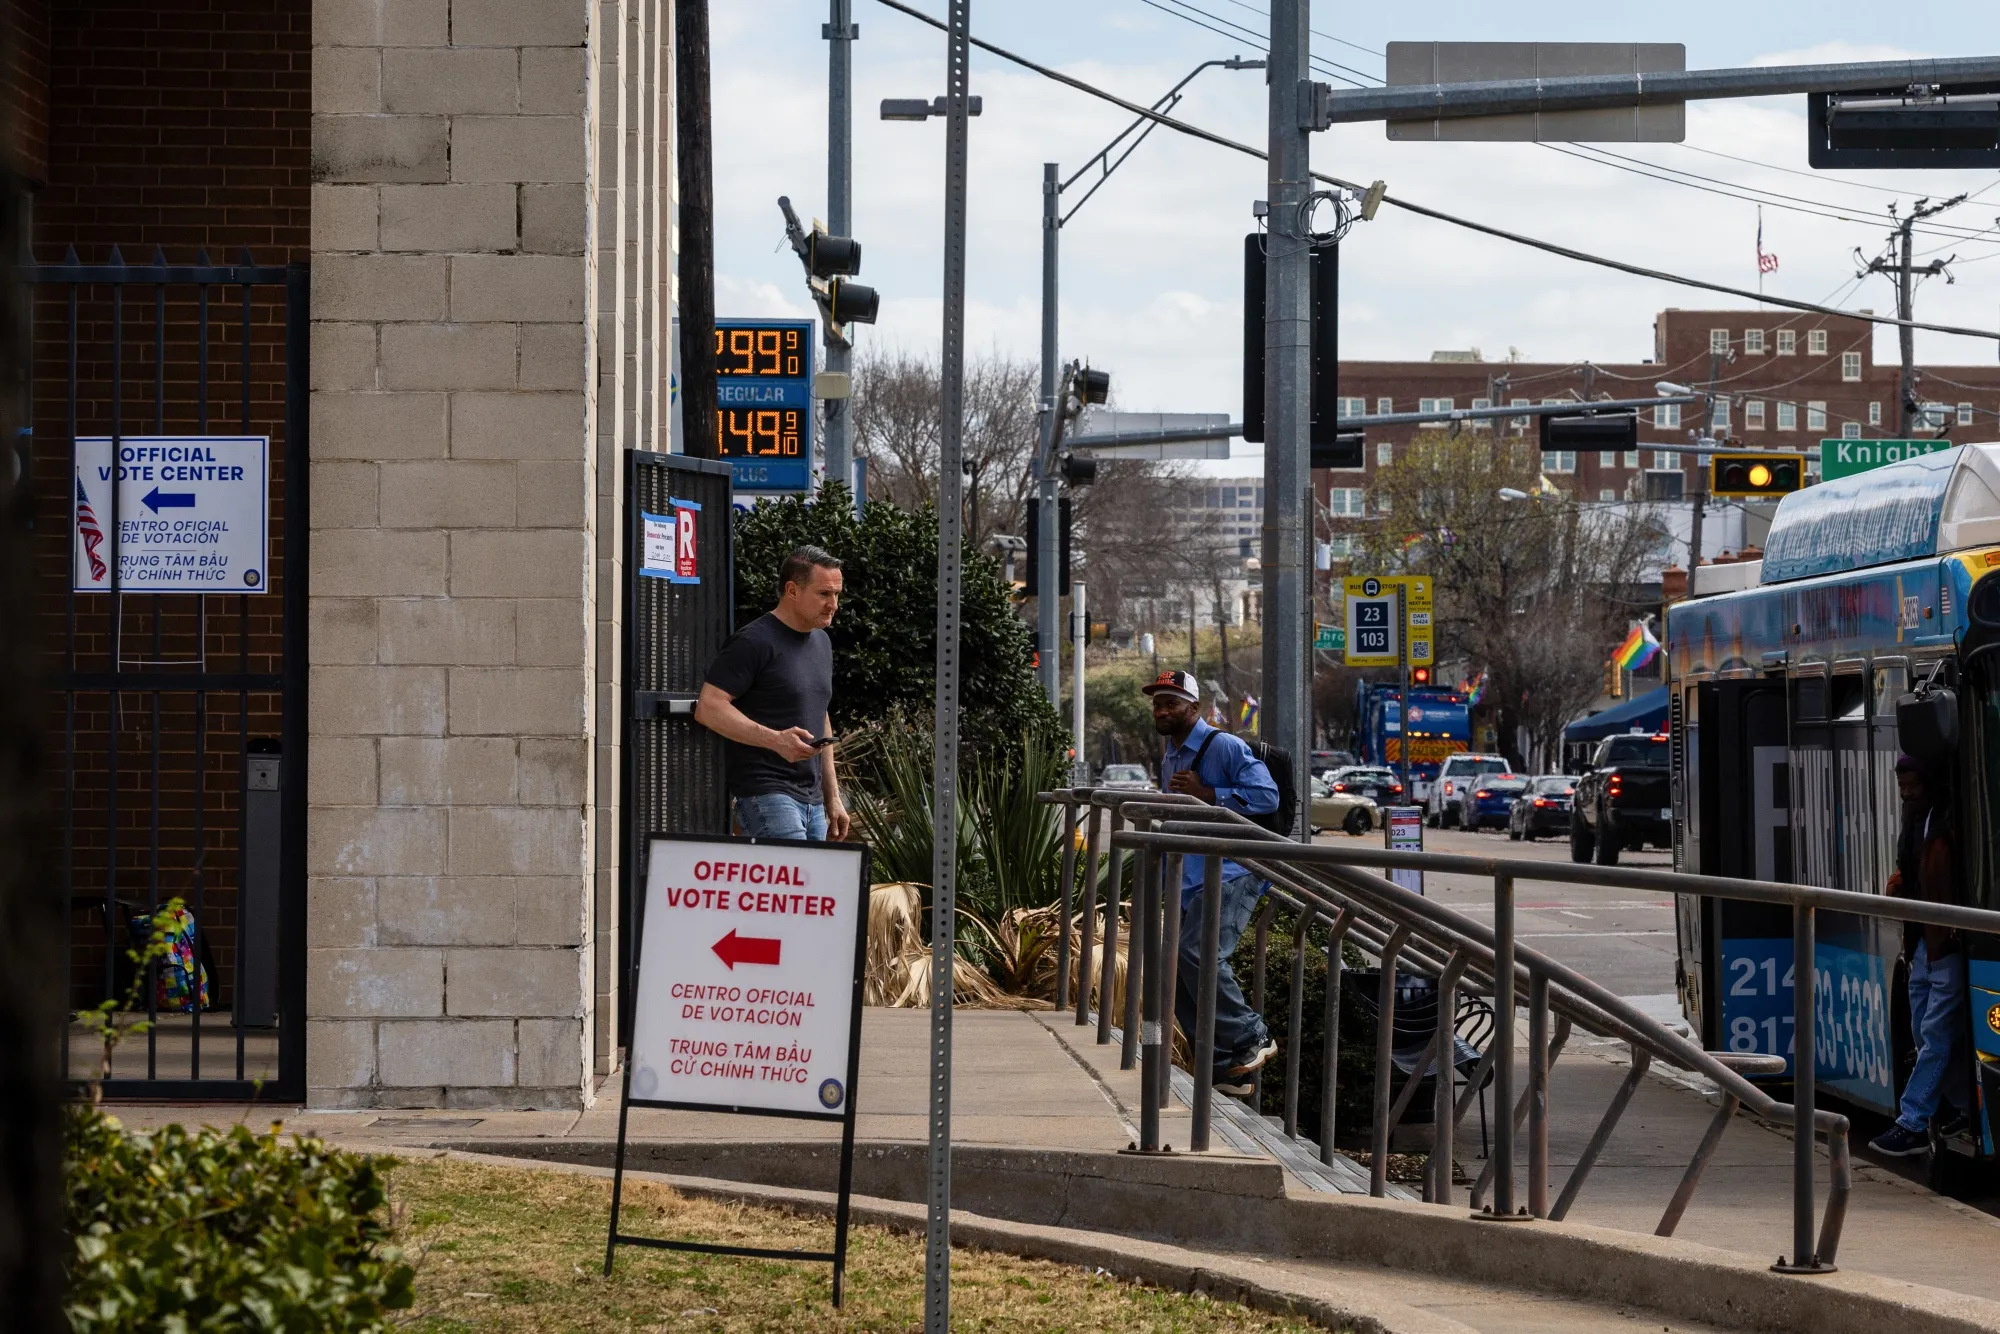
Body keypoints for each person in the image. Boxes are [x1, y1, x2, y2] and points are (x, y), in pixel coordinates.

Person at [1145, 669, 1281, 1096]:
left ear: (1194, 708)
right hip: (1192, 876)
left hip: (1232, 871)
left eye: (1172, 703)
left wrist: (1211, 795)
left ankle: (1249, 1037)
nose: (1163, 710)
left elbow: (1266, 796)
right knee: (1173, 966)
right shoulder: (1171, 754)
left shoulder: (1221, 745)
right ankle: (1224, 1065)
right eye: (1158, 703)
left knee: (1196, 954)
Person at [694, 546, 851, 842]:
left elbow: (820, 715)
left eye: (837, 594)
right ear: (792, 590)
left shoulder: (822, 643)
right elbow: (709, 707)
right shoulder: (753, 641)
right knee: (793, 885)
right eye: (824, 594)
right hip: (765, 791)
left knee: (810, 886)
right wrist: (775, 740)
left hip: (812, 799)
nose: (833, 604)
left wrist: (833, 796)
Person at [1870, 753, 1969, 1157]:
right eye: (1902, 788)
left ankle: (1912, 1121)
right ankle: (1963, 1105)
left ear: (1930, 785)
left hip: (1944, 945)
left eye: (1913, 787)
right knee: (1924, 1033)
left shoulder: (1946, 826)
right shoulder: (1915, 824)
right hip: (1923, 945)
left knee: (1935, 1035)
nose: (1907, 794)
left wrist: (1943, 938)